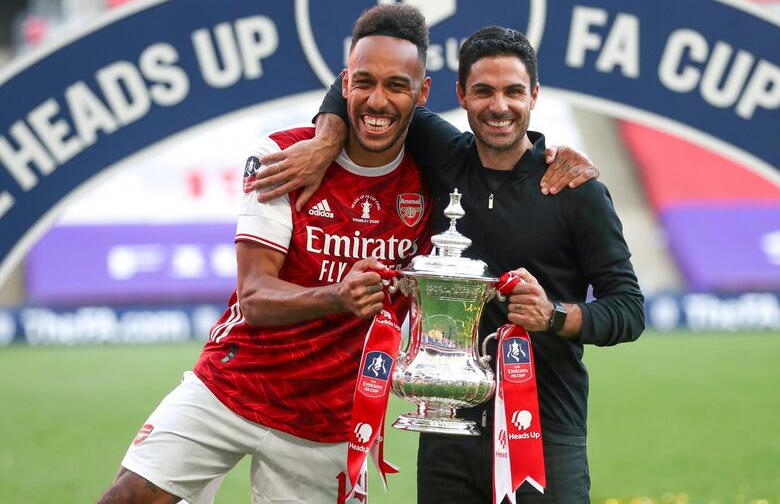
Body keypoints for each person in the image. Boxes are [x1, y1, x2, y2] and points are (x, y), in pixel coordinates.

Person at [256, 25, 645, 503]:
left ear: (534, 96)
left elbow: (628, 309)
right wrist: (326, 138)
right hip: (444, 428)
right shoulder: (442, 153)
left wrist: (555, 315)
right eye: (483, 91)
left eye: (513, 92)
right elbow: (358, 87)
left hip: (542, 433)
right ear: (460, 94)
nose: (498, 106)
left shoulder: (574, 192)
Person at [96, 4, 436, 504]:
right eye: (364, 82)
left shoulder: (437, 179)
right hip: (234, 383)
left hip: (331, 419)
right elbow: (254, 297)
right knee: (128, 497)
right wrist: (338, 296)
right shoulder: (282, 155)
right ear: (344, 84)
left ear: (421, 93)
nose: (377, 100)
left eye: (395, 86)